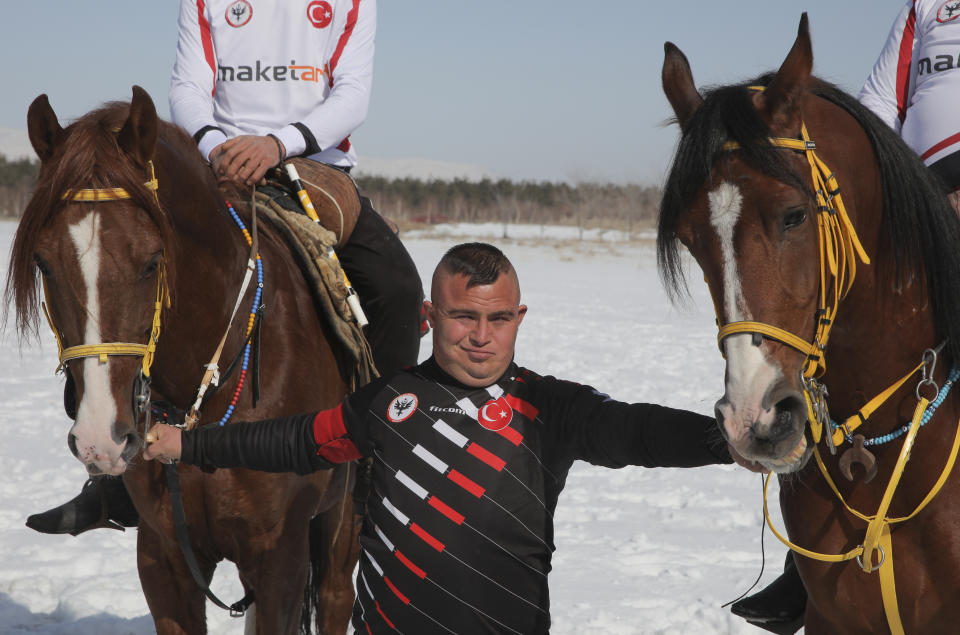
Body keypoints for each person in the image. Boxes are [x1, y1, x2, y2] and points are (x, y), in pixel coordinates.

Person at [143, 242, 739, 634]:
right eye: (464, 317)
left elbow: (634, 430)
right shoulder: (387, 401)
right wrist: (188, 446)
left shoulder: (549, 407)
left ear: (519, 319)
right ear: (430, 316)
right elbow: (297, 441)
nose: (481, 336)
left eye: (498, 319)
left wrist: (726, 440)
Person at [26, 0, 423, 536]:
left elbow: (351, 95)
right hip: (214, 161)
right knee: (111, 273)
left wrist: (277, 143)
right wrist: (216, 145)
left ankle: (380, 454)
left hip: (312, 165)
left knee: (397, 288)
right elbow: (188, 86)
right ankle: (115, 481)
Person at [732, 3, 960, 631]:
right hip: (919, 206)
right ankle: (803, 569)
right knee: (834, 357)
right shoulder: (928, 6)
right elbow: (878, 107)